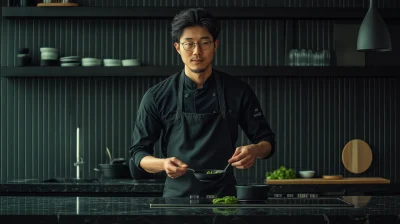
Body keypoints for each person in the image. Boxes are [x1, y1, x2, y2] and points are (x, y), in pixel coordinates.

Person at [130, 8, 275, 198]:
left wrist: (255, 150)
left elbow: (267, 142)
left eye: (204, 43)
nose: (197, 51)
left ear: (215, 45)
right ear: (177, 47)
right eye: (189, 44)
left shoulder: (238, 90)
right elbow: (138, 153)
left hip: (225, 200)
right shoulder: (157, 95)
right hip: (176, 201)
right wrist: (163, 164)